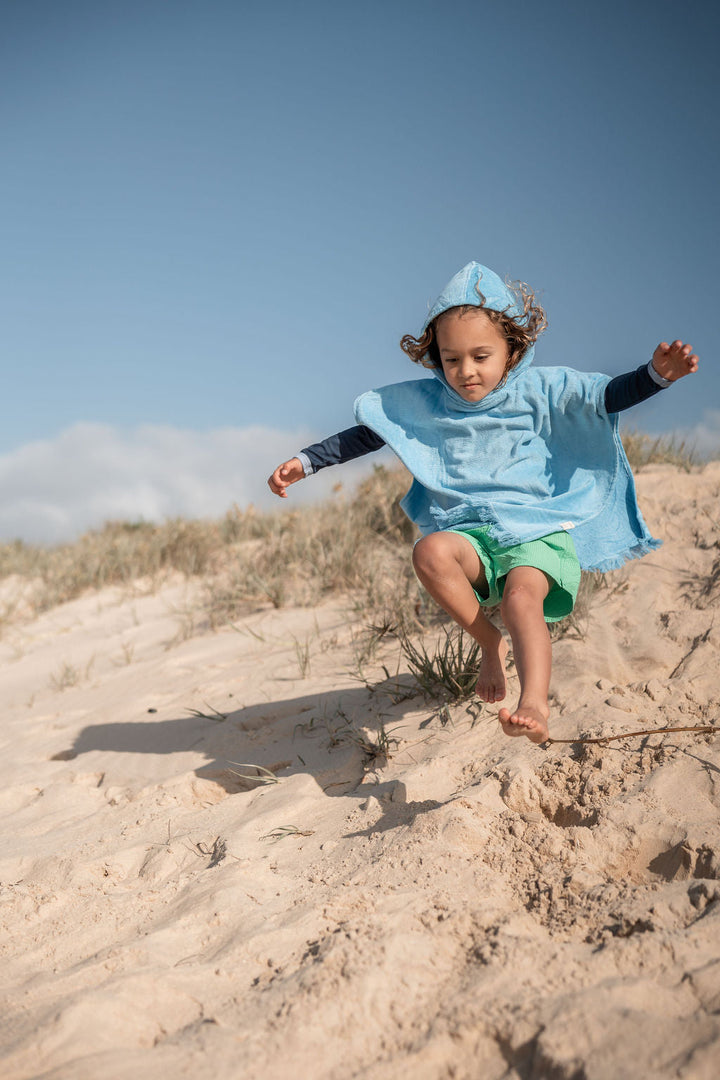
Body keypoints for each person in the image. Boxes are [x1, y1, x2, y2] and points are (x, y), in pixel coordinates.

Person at [268, 262, 698, 744]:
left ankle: (533, 703)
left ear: (512, 350)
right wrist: (306, 462)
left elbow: (605, 396)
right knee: (428, 552)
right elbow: (371, 432)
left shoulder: (540, 389)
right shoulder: (431, 401)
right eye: (451, 359)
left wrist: (656, 376)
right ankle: (488, 642)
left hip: (536, 533)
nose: (466, 371)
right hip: (472, 536)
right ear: (436, 358)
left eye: (480, 356)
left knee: (520, 599)